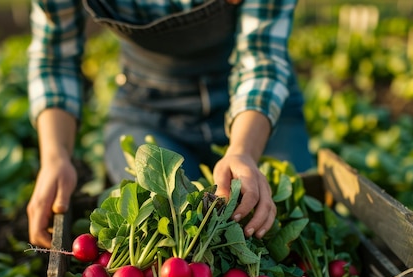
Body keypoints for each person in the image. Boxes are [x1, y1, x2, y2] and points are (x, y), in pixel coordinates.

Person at [26, 0, 314, 249]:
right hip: (148, 107)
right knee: (165, 218)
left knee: (291, 218)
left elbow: (262, 58)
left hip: (259, 110)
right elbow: (54, 57)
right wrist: (55, 155)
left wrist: (243, 150)